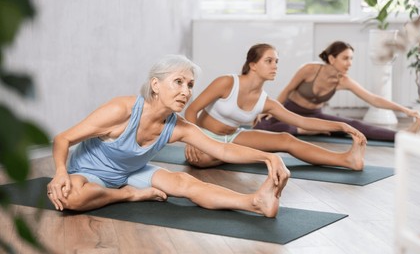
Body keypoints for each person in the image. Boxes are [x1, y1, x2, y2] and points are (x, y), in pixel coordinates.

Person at [46, 55, 290, 218]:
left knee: (186, 184)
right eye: (178, 82)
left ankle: (254, 202)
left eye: (190, 85)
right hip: (89, 173)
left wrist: (268, 157)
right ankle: (129, 195)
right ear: (155, 85)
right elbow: (63, 139)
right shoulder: (121, 110)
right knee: (71, 197)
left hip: (130, 173)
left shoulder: (178, 127)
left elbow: (222, 150)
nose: (186, 92)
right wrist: (59, 173)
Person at [184, 43, 366, 172]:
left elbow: (302, 121)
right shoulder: (226, 82)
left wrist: (342, 126)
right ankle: (242, 156)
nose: (275, 66)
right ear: (253, 65)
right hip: (205, 137)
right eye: (269, 61)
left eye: (277, 61)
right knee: (202, 159)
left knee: (286, 139)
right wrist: (194, 140)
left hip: (233, 137)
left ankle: (346, 159)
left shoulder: (266, 102)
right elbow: (192, 110)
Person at [254, 41, 420, 142]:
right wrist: (272, 109)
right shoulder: (309, 69)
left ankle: (400, 136)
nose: (349, 63)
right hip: (290, 110)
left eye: (351, 59)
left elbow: (373, 99)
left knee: (352, 125)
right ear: (332, 58)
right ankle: (305, 130)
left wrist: (405, 110)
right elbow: (287, 90)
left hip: (315, 116)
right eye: (345, 58)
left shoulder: (343, 80)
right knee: (262, 125)